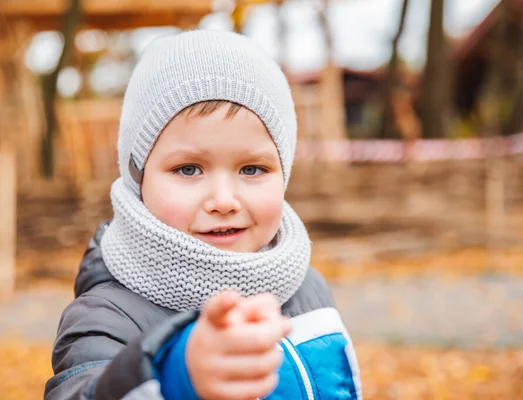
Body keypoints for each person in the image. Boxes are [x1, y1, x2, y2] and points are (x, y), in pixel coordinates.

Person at [44, 29, 362, 400]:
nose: (224, 201)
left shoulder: (308, 288)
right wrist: (174, 376)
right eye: (189, 169)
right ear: (138, 177)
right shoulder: (106, 318)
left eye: (252, 169)